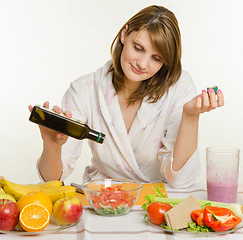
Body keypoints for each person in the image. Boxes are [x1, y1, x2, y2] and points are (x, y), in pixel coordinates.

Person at [29, 5, 224, 188]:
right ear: (124, 34)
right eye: (138, 48)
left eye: (156, 58)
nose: (143, 64)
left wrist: (190, 116)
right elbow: (51, 180)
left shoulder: (178, 87)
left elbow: (181, 181)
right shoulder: (84, 90)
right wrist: (51, 145)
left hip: (154, 203)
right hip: (101, 199)